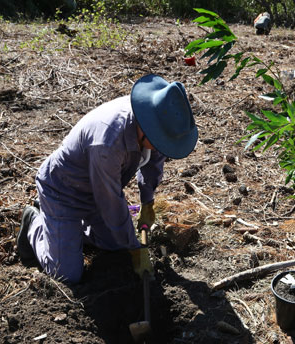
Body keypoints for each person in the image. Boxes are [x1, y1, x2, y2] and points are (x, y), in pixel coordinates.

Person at [16, 74, 198, 284]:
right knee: (67, 274)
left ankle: (68, 232)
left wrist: (147, 202)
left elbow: (153, 162)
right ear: (149, 130)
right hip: (63, 192)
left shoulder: (153, 122)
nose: (162, 148)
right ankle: (35, 223)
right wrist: (134, 248)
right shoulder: (108, 142)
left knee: (114, 246)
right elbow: (110, 201)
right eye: (161, 142)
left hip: (95, 192)